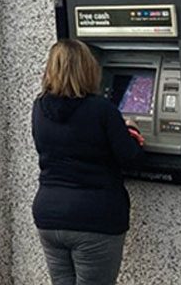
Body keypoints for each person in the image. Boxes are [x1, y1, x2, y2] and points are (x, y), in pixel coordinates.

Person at [32, 39, 145, 285]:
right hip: (95, 217)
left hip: (50, 215)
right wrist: (133, 133)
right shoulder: (102, 110)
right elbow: (130, 156)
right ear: (88, 69)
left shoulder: (39, 108)